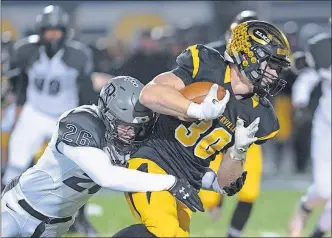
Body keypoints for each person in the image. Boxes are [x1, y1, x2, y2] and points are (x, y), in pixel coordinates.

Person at [113, 20, 291, 237]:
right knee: (164, 233)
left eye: (277, 67)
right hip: (152, 160)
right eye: (270, 64)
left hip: (187, 182)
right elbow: (149, 94)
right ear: (247, 55)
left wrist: (239, 151)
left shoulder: (261, 116)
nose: (274, 73)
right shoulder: (206, 65)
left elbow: (225, 183)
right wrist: (194, 110)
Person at [1, 76, 203, 237]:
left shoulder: (129, 139)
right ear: (108, 115)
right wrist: (170, 182)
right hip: (16, 211)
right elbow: (105, 176)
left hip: (54, 227)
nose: (131, 135)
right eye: (125, 127)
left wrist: (213, 181)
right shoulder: (81, 122)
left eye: (138, 129)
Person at [2, 5, 99, 236]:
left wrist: (87, 117)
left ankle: (80, 219)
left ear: (65, 31)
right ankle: (7, 213)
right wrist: (18, 106)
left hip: (64, 114)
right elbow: (18, 81)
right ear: (40, 30)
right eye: (49, 31)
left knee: (78, 169)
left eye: (57, 31)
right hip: (34, 112)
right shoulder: (27, 50)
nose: (53, 35)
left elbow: (85, 90)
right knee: (14, 164)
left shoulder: (78, 54)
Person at [202, 11, 267, 237]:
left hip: (248, 125)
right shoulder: (213, 53)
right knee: (208, 191)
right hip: (214, 124)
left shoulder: (264, 57)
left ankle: (233, 234)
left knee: (248, 190)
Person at [288, 17, 331, 238]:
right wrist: (301, 104)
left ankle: (317, 234)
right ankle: (305, 206)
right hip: (327, 129)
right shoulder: (323, 48)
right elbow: (306, 78)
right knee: (324, 190)